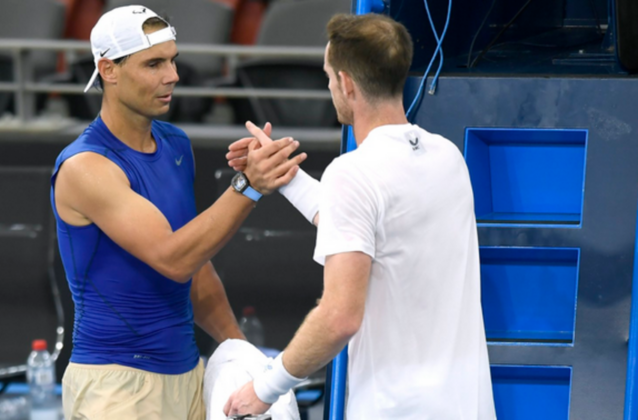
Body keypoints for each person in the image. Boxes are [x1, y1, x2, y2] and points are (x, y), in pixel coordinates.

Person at [224, 13, 496, 419]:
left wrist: (264, 389)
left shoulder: (353, 174)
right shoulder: (447, 157)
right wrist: (286, 176)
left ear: (347, 83)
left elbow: (338, 317)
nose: (330, 85)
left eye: (329, 76)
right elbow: (358, 223)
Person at [50, 6, 306, 420]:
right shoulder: (85, 167)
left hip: (189, 377)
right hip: (115, 389)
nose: (172, 76)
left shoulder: (175, 145)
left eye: (173, 60)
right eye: (154, 63)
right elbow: (173, 258)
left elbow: (196, 270)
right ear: (108, 70)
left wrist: (241, 358)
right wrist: (248, 186)